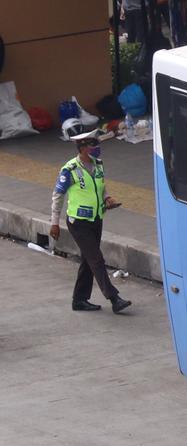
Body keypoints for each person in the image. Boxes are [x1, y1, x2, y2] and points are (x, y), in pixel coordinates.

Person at [49, 124, 132, 313]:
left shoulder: (98, 164)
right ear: (82, 147)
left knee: (89, 260)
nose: (97, 146)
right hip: (78, 222)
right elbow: (58, 195)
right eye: (93, 143)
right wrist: (54, 223)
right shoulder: (69, 169)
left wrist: (107, 198)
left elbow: (101, 187)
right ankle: (114, 298)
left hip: (96, 219)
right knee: (96, 259)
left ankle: (79, 300)